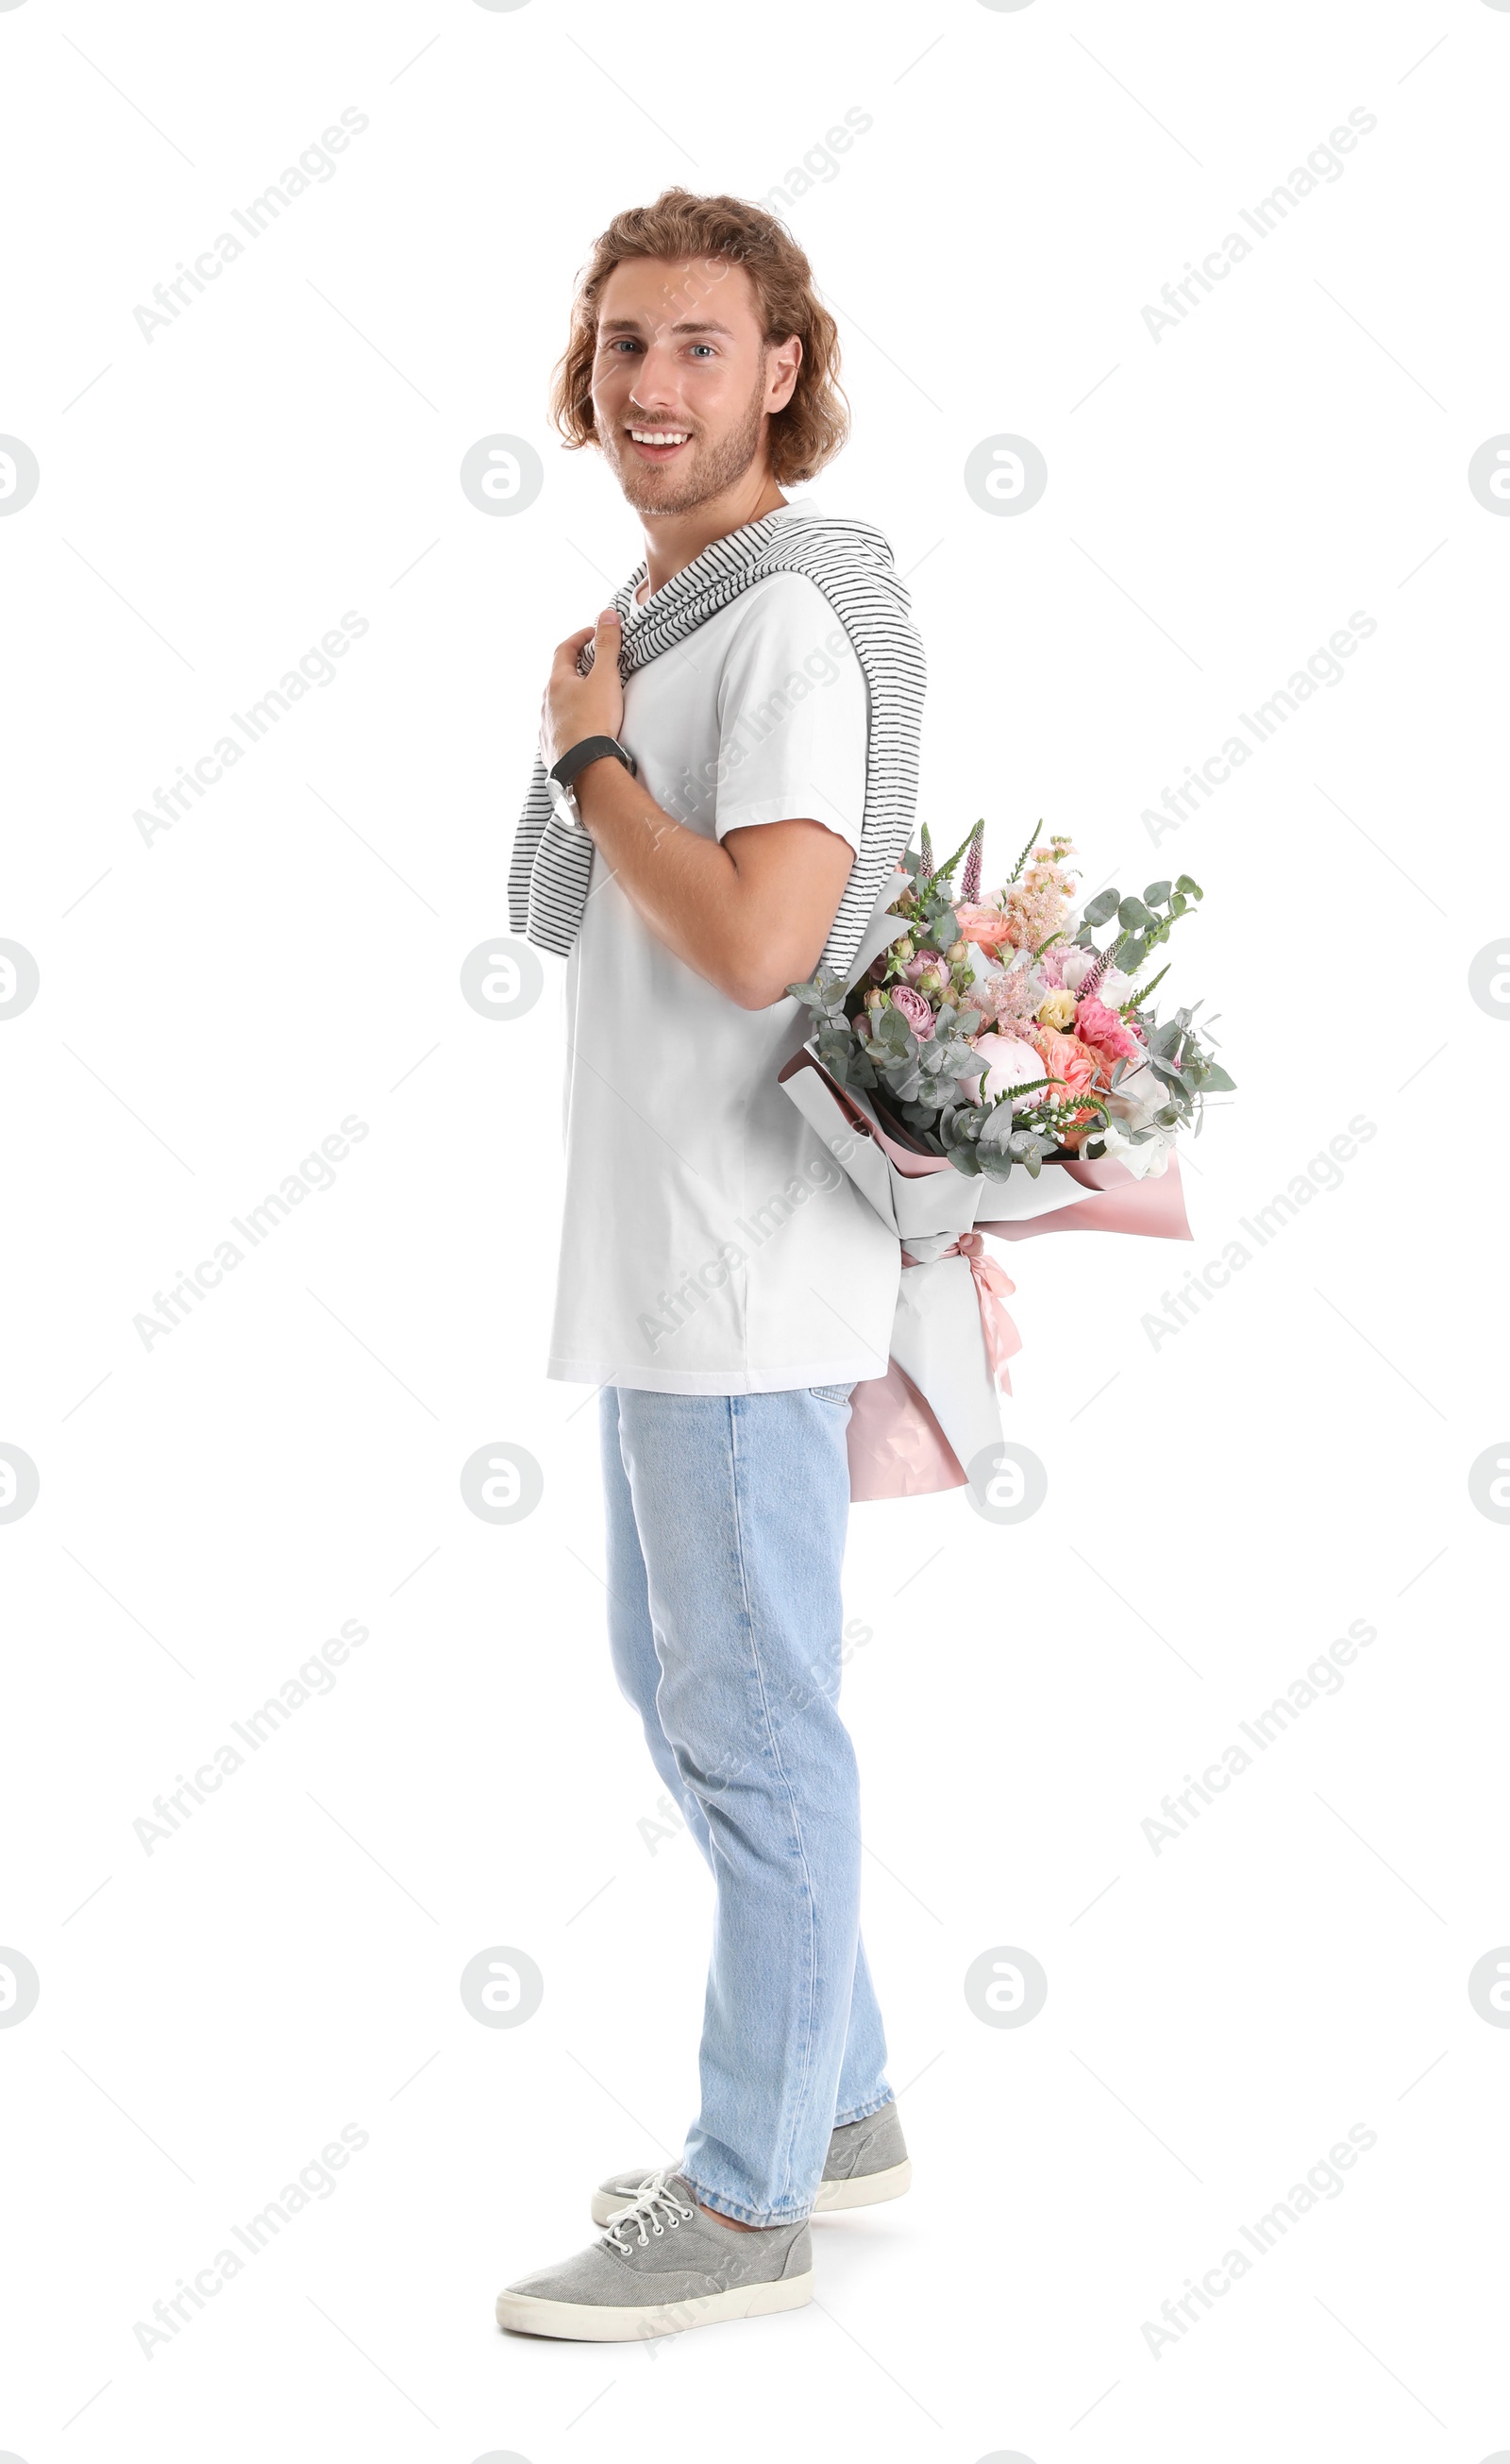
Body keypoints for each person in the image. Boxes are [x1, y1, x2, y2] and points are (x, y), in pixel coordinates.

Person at [497, 189, 925, 2343]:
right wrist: (602, 714)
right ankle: (831, 2098)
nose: (647, 385)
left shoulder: (780, 626)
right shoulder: (669, 614)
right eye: (621, 345)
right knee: (699, 1705)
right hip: (675, 1268)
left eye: (694, 346)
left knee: (752, 1731)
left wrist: (590, 760)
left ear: (779, 369)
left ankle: (746, 2195)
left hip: (743, 1273)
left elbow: (762, 935)